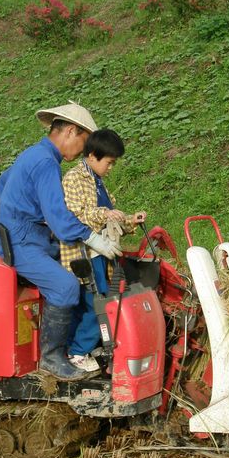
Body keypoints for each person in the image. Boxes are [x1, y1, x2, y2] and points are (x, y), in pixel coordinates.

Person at [0, 103, 123, 381]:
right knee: (66, 286)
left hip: (28, 236)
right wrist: (91, 237)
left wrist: (20, 209)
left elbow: (3, 183)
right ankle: (51, 359)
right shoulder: (45, 162)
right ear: (70, 131)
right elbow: (59, 218)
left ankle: (73, 347)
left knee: (74, 278)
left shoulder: (34, 154)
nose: (80, 151)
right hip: (19, 243)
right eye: (82, 142)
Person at [59, 129, 146, 372]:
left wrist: (130, 221)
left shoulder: (97, 182)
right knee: (99, 301)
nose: (110, 168)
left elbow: (109, 219)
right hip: (84, 253)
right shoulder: (74, 179)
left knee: (90, 302)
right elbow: (74, 215)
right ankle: (77, 352)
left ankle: (80, 345)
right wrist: (105, 213)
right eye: (109, 162)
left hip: (99, 252)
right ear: (94, 155)